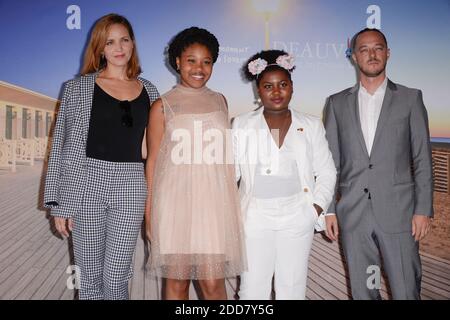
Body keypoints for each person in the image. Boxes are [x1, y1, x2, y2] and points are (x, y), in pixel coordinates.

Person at [43, 13, 159, 299]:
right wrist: (59, 203)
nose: (118, 47)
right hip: (87, 183)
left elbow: (152, 150)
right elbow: (60, 145)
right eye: (110, 42)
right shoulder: (77, 88)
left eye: (124, 40)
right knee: (89, 278)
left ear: (133, 44)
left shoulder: (151, 90)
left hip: (131, 184)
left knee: (117, 278)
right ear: (100, 48)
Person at [323, 28, 433, 300]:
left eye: (378, 48)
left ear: (388, 53)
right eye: (364, 49)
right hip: (354, 216)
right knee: (364, 292)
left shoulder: (410, 98)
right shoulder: (336, 103)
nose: (371, 54)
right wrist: (329, 209)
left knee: (406, 290)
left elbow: (421, 157)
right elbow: (330, 163)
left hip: (400, 214)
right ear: (354, 57)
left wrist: (423, 209)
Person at [145, 26, 246, 300]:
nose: (199, 68)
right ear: (178, 62)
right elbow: (153, 161)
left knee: (213, 284)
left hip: (213, 207)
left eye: (206, 61)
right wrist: (149, 213)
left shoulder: (220, 100)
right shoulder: (162, 105)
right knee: (176, 284)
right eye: (191, 60)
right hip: (174, 204)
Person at [233, 49, 337, 300]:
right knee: (251, 290)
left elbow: (326, 171)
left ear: (292, 87)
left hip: (297, 215)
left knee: (292, 289)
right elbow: (229, 174)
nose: (276, 91)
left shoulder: (311, 125)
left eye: (283, 85)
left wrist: (314, 208)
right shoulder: (242, 124)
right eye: (268, 86)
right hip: (254, 217)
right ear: (259, 91)